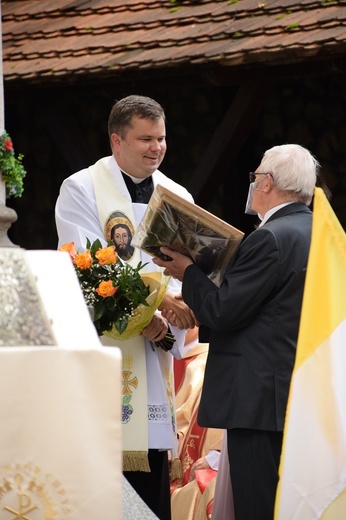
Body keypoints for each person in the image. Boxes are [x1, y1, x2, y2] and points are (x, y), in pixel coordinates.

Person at [153, 143, 319, 519]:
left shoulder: (270, 237)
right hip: (296, 391)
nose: (253, 184)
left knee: (257, 504)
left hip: (259, 398)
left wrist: (188, 272)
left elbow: (223, 310)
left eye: (255, 176)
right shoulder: (318, 231)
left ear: (267, 182)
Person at [55, 94, 196, 520]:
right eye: (145, 139)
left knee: (151, 473)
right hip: (106, 348)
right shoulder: (81, 188)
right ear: (116, 141)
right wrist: (153, 308)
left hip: (154, 359)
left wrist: (178, 311)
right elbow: (86, 265)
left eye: (162, 138)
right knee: (105, 472)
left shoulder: (177, 194)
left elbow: (187, 268)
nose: (157, 148)